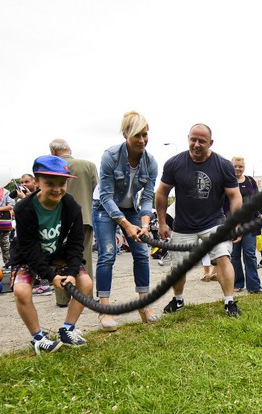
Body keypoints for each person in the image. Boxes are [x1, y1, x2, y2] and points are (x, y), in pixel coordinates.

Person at [156, 123, 243, 317]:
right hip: (183, 225)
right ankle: (178, 300)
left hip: (213, 223)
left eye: (201, 141)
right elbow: (162, 192)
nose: (196, 144)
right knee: (178, 267)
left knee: (222, 257)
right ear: (188, 138)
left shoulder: (223, 165)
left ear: (210, 143)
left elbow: (235, 196)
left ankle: (229, 302)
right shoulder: (174, 163)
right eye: (192, 139)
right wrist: (162, 222)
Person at [11, 155, 93, 354]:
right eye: (50, 184)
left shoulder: (71, 205)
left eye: (62, 183)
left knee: (86, 283)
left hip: (58, 253)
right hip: (29, 255)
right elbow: (29, 248)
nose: (57, 189)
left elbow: (75, 244)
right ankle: (38, 338)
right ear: (37, 182)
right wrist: (50, 276)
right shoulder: (24, 208)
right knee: (21, 291)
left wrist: (72, 272)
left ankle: (68, 329)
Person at [92, 112, 157, 330]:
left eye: (145, 135)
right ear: (125, 134)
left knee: (141, 253)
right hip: (104, 207)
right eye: (137, 135)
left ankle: (143, 304)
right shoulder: (110, 156)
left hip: (131, 209)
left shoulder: (151, 163)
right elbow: (106, 196)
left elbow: (147, 197)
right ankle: (105, 310)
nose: (142, 140)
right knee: (108, 253)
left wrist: (145, 224)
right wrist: (127, 226)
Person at [50, 139, 98, 308]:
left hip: (57, 219)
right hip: (84, 217)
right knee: (84, 257)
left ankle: (62, 298)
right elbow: (96, 191)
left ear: (53, 151)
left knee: (59, 259)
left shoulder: (52, 165)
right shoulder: (88, 165)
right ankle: (86, 295)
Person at [229, 156, 262, 294]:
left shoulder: (250, 181)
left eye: (240, 166)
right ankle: (237, 283)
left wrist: (261, 213)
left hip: (250, 222)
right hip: (232, 223)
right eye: (235, 166)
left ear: (244, 167)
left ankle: (254, 286)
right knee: (235, 255)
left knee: (250, 254)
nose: (237, 168)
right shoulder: (227, 181)